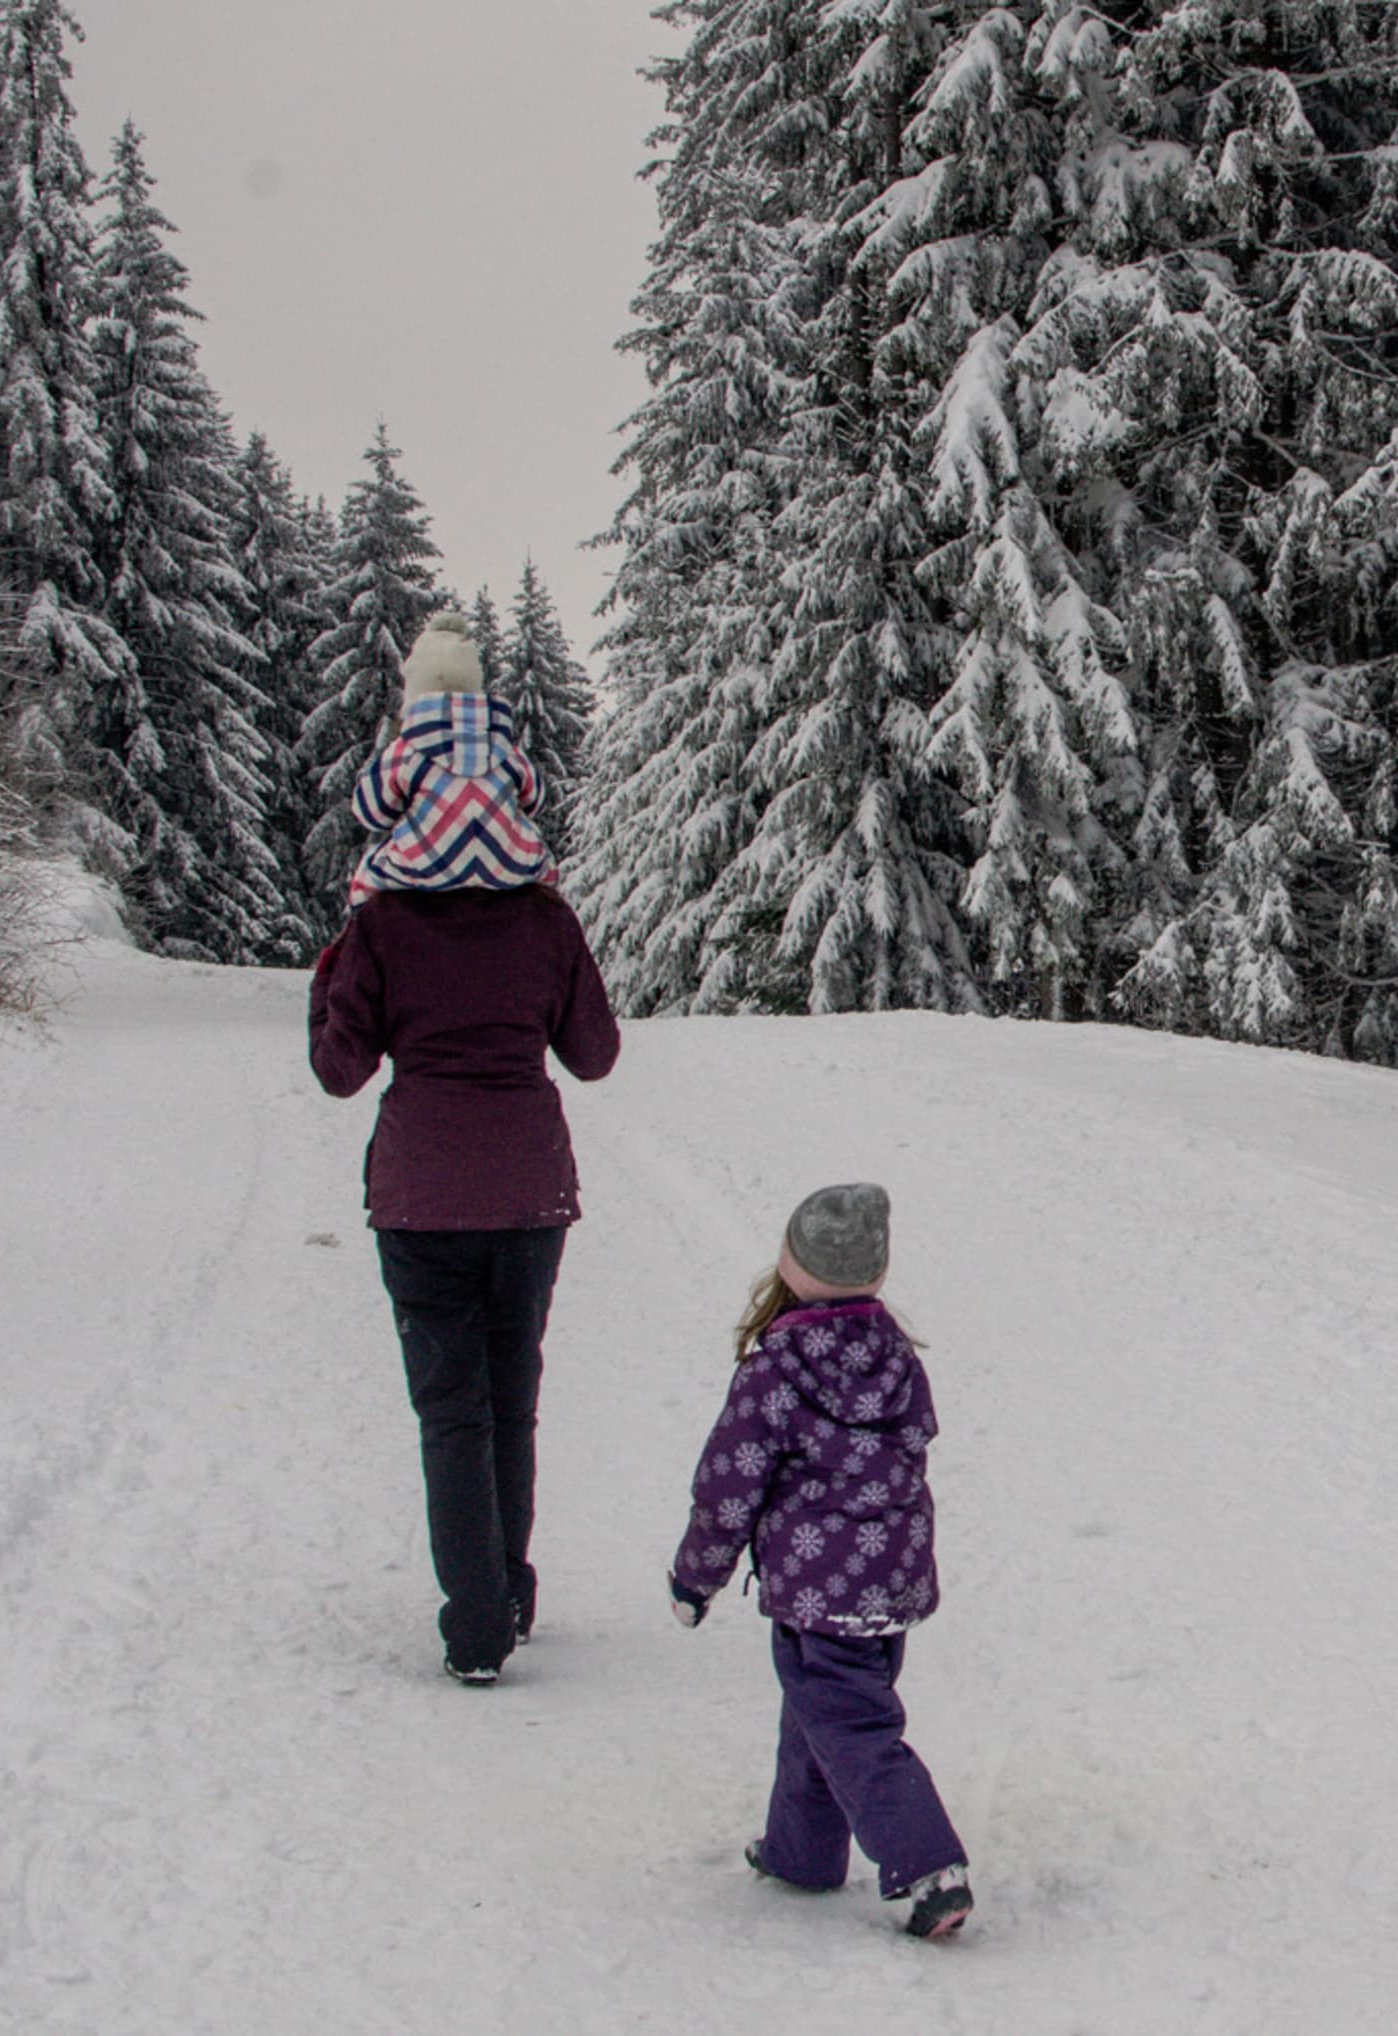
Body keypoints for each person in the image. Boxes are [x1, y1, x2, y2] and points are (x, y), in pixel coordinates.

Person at [308, 620, 620, 1685]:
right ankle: (513, 1593)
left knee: (451, 1411)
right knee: (510, 1398)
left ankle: (477, 1623)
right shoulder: (544, 914)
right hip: (531, 1187)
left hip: (420, 1193)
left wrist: (333, 967)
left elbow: (341, 1069)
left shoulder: (383, 920)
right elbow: (596, 1054)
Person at [670, 1185, 974, 1941]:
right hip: (892, 1582)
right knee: (822, 1715)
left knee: (852, 1725)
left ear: (790, 1266)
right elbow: (916, 1442)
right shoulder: (897, 1357)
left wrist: (695, 1576)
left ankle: (928, 1865)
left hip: (816, 1588)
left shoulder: (773, 1369)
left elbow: (728, 1483)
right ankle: (801, 1853)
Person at [345, 607, 557, 904]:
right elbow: (536, 800)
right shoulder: (506, 749)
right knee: (545, 868)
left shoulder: (406, 752)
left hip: (423, 866)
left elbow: (370, 812)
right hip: (511, 866)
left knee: (367, 876)